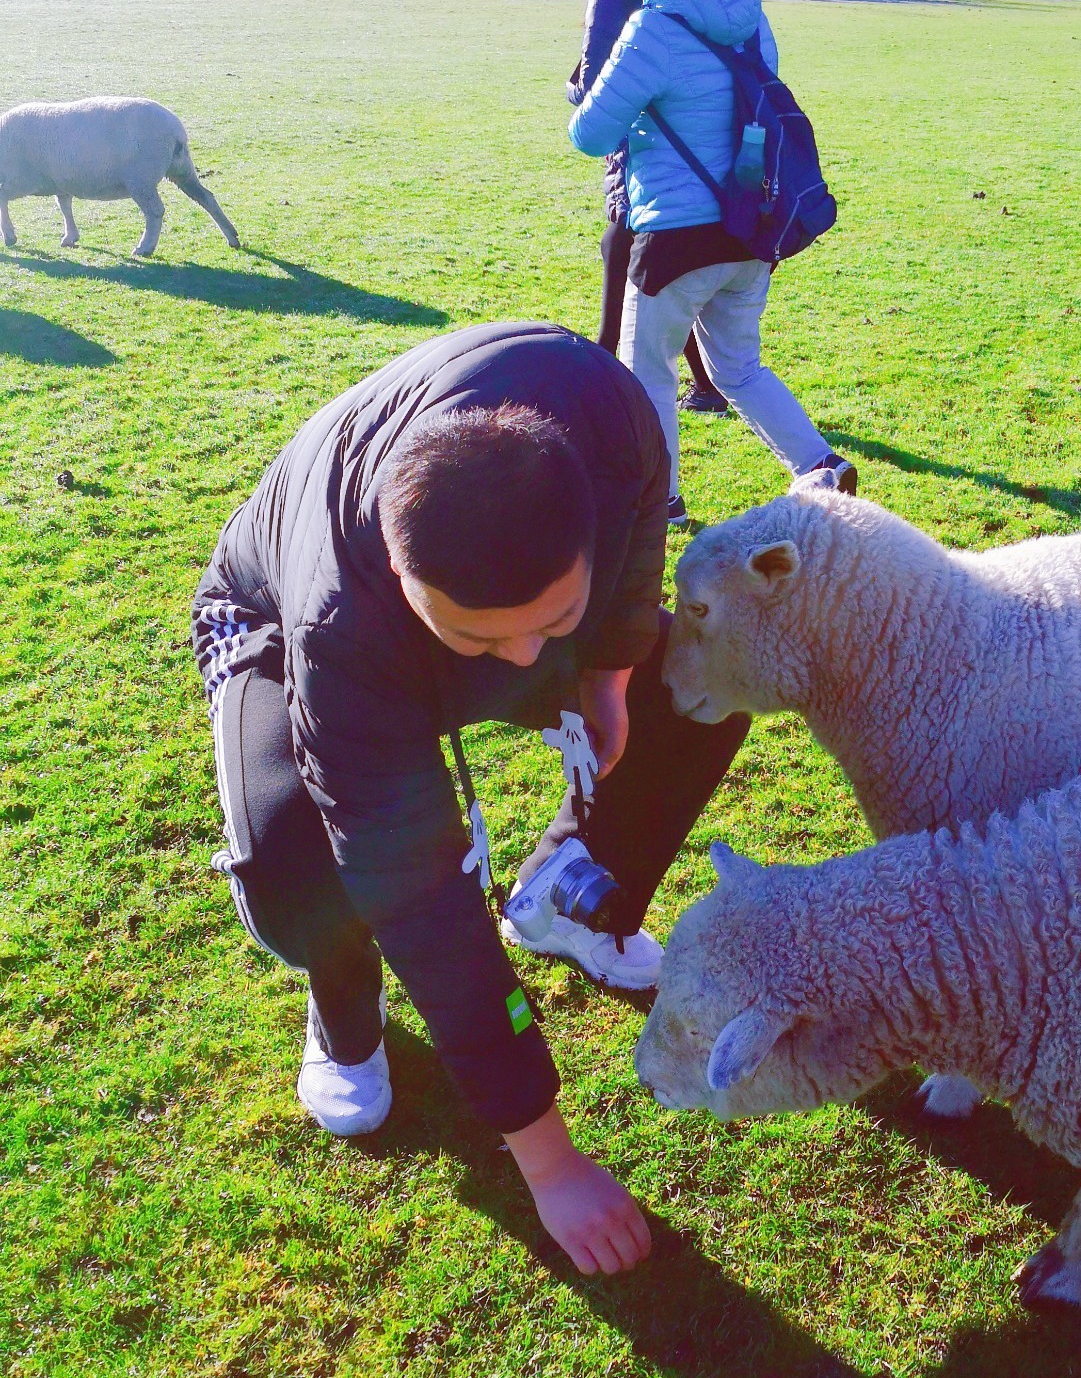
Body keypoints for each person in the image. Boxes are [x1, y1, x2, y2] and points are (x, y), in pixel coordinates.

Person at [191, 322, 749, 1275]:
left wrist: (606, 667)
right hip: (273, 625)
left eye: (549, 623)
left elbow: (643, 518)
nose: (528, 663)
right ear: (407, 581)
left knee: (697, 690)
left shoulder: (609, 412)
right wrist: (552, 1158)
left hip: (466, 607)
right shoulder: (342, 625)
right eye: (487, 642)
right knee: (297, 872)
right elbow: (414, 885)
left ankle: (566, 894)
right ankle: (342, 1001)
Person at [568, 0, 855, 524]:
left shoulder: (652, 29)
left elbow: (590, 133)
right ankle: (820, 466)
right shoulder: (753, 20)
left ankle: (661, 500)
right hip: (749, 229)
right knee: (738, 369)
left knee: (648, 370)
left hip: (673, 239)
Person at [571, 0, 727, 414]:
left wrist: (577, 92)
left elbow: (595, 101)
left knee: (637, 271)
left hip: (640, 160)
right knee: (655, 280)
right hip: (700, 170)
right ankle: (705, 382)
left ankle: (609, 382)